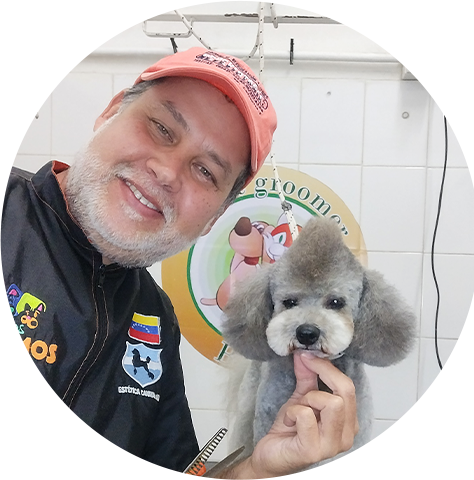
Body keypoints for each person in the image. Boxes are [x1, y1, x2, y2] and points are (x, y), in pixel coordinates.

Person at [2, 47, 358, 477]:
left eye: (205, 171)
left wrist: (258, 469)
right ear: (110, 113)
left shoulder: (154, 317)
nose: (168, 172)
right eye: (161, 129)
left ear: (214, 218)